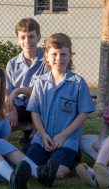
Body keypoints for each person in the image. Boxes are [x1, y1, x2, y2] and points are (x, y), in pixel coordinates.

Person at [25, 33, 95, 182]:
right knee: (28, 165)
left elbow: (83, 113)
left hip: (66, 140)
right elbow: (35, 111)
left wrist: (63, 136)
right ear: (47, 56)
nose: (59, 58)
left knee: (58, 173)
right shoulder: (40, 82)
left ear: (70, 55)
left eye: (63, 54)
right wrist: (43, 135)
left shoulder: (78, 83)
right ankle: (43, 167)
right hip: (42, 138)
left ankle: (69, 157)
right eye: (54, 54)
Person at [5, 18, 46, 153]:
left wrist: (18, 90)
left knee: (37, 102)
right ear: (17, 39)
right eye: (23, 37)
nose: (27, 41)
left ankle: (33, 141)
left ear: (39, 37)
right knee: (3, 119)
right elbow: (7, 92)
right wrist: (11, 109)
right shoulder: (12, 63)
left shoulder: (47, 61)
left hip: (39, 108)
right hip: (18, 106)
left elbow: (43, 90)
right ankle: (3, 150)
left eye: (31, 37)